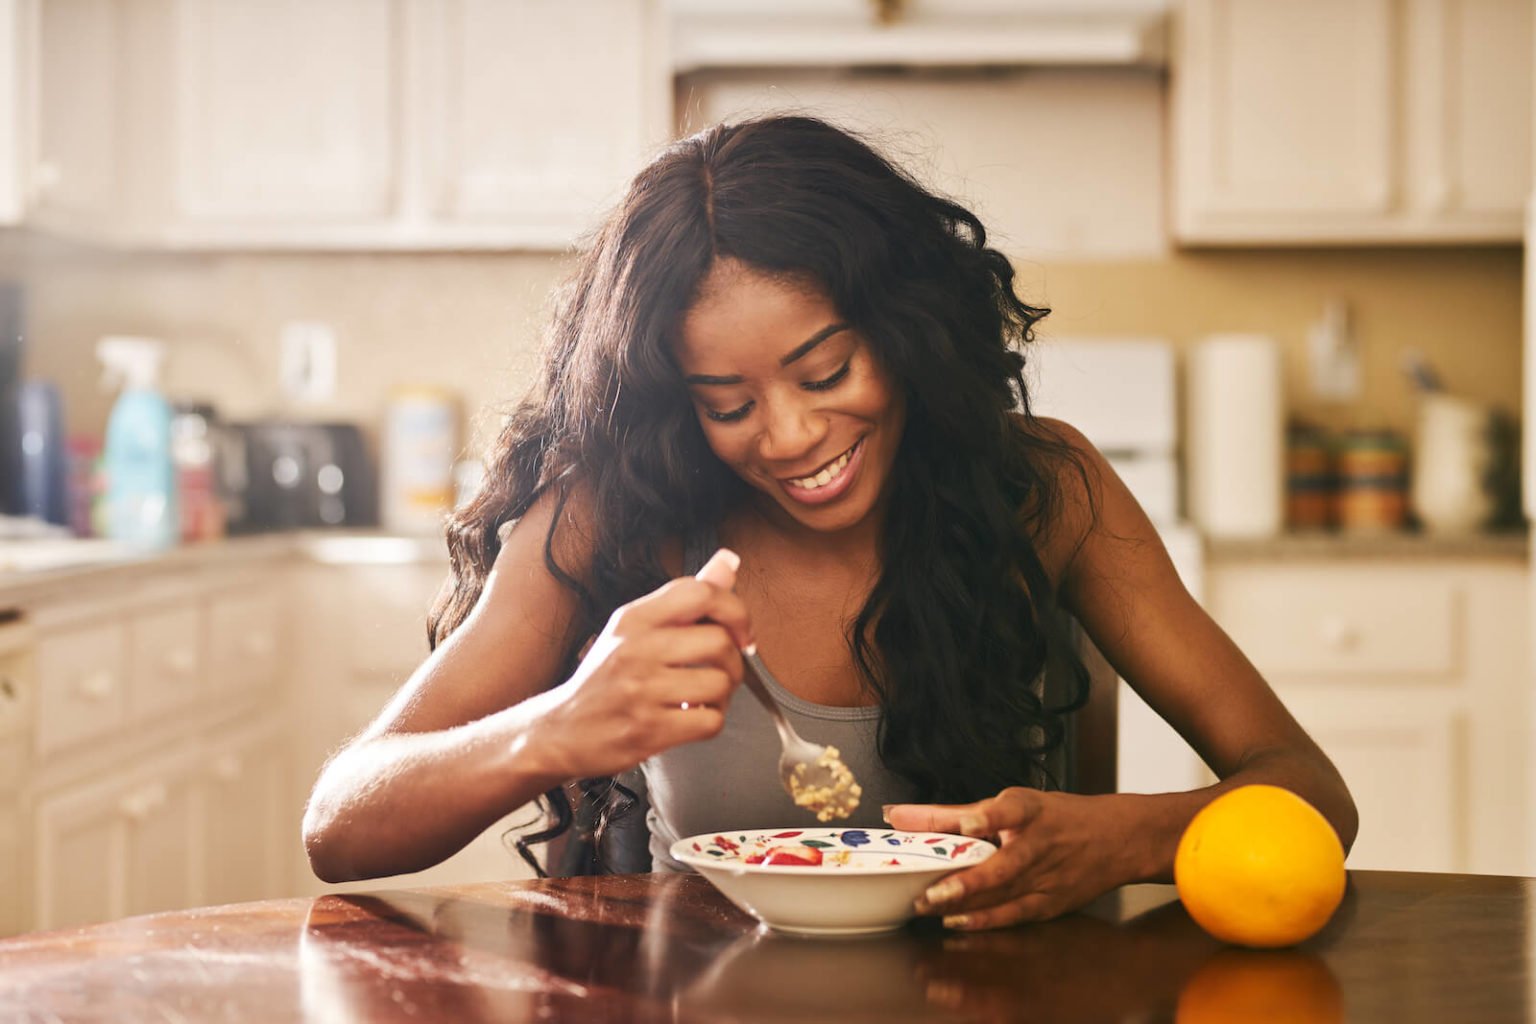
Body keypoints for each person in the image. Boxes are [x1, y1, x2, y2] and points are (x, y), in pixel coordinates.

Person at [303, 114, 1357, 930]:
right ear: (679, 403)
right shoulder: (609, 520)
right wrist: (556, 725)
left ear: (907, 330)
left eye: (827, 370)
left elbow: (1311, 793)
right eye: (729, 404)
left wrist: (1127, 839)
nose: (792, 434)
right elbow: (339, 824)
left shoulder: (1048, 492)